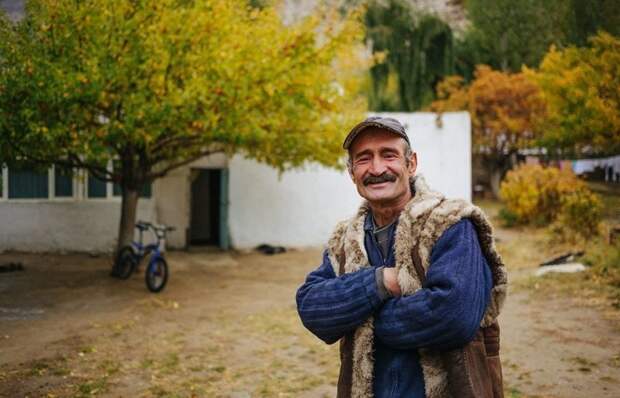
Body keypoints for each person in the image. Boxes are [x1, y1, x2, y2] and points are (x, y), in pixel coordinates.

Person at [296, 116, 507, 398]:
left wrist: (364, 320)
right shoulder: (344, 239)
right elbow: (313, 309)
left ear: (411, 164)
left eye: (389, 155)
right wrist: (381, 281)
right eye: (363, 158)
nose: (377, 168)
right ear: (351, 172)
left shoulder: (451, 224)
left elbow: (454, 317)